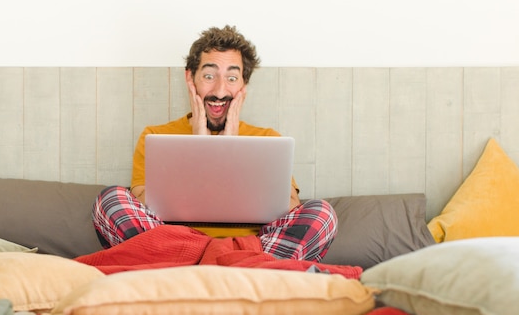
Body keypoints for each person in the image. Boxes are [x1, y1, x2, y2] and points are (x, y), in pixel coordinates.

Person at [92, 25, 337, 262]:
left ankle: (195, 264)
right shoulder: (155, 135)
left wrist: (230, 147)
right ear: (191, 78)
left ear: (243, 85)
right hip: (184, 244)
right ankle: (231, 264)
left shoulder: (267, 139)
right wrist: (200, 144)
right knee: (110, 201)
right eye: (209, 76)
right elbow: (144, 202)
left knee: (322, 215)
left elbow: (291, 207)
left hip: (248, 247)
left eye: (231, 78)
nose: (220, 90)